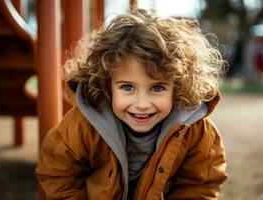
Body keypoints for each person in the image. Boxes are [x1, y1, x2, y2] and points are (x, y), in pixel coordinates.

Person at [35, 9, 227, 200]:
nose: (142, 104)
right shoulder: (83, 125)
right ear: (107, 85)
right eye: (127, 87)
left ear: (176, 88)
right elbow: (58, 176)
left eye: (157, 88)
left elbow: (200, 184)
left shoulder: (196, 131)